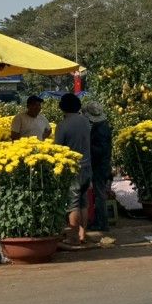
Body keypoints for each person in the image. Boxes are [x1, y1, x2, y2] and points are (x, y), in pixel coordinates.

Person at [54, 92, 92, 246]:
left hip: (72, 168)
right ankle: (83, 234)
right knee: (83, 202)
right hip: (87, 166)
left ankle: (73, 237)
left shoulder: (63, 125)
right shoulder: (86, 122)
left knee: (73, 203)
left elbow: (58, 148)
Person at [83, 101, 112, 232]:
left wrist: (87, 146)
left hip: (100, 165)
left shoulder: (100, 129)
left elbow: (101, 150)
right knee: (98, 194)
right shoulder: (102, 127)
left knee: (100, 195)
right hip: (102, 165)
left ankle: (103, 223)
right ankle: (98, 221)